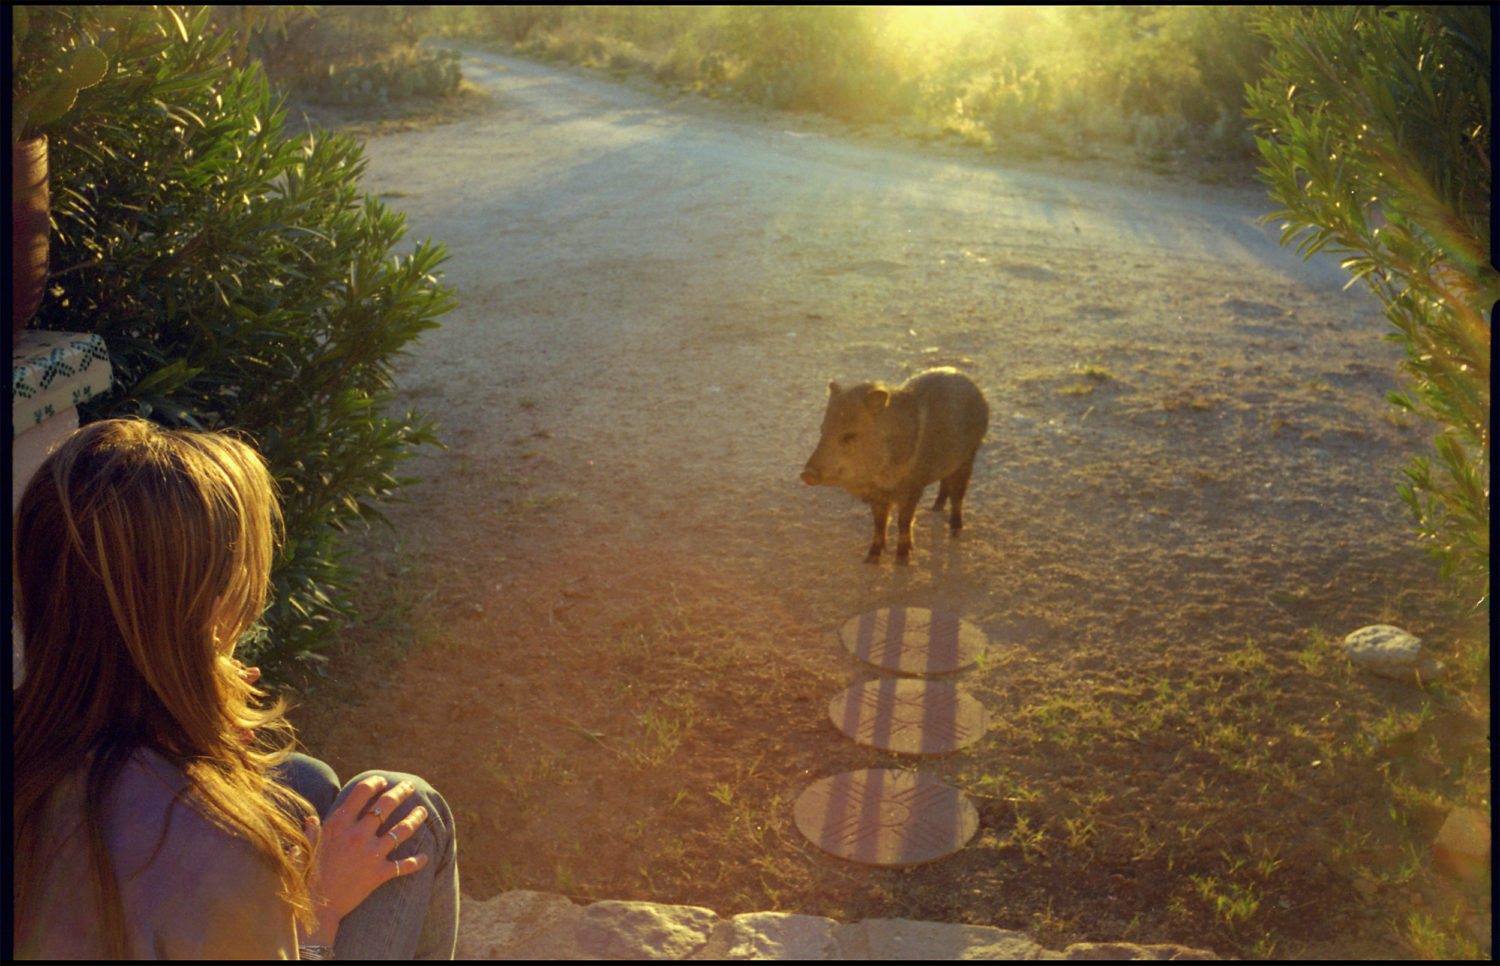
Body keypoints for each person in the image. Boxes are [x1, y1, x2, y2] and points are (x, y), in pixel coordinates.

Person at [12, 418, 459, 959]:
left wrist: (187, 731)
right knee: (407, 814)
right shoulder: (223, 846)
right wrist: (317, 914)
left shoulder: (34, 740)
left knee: (304, 785)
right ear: (203, 614)